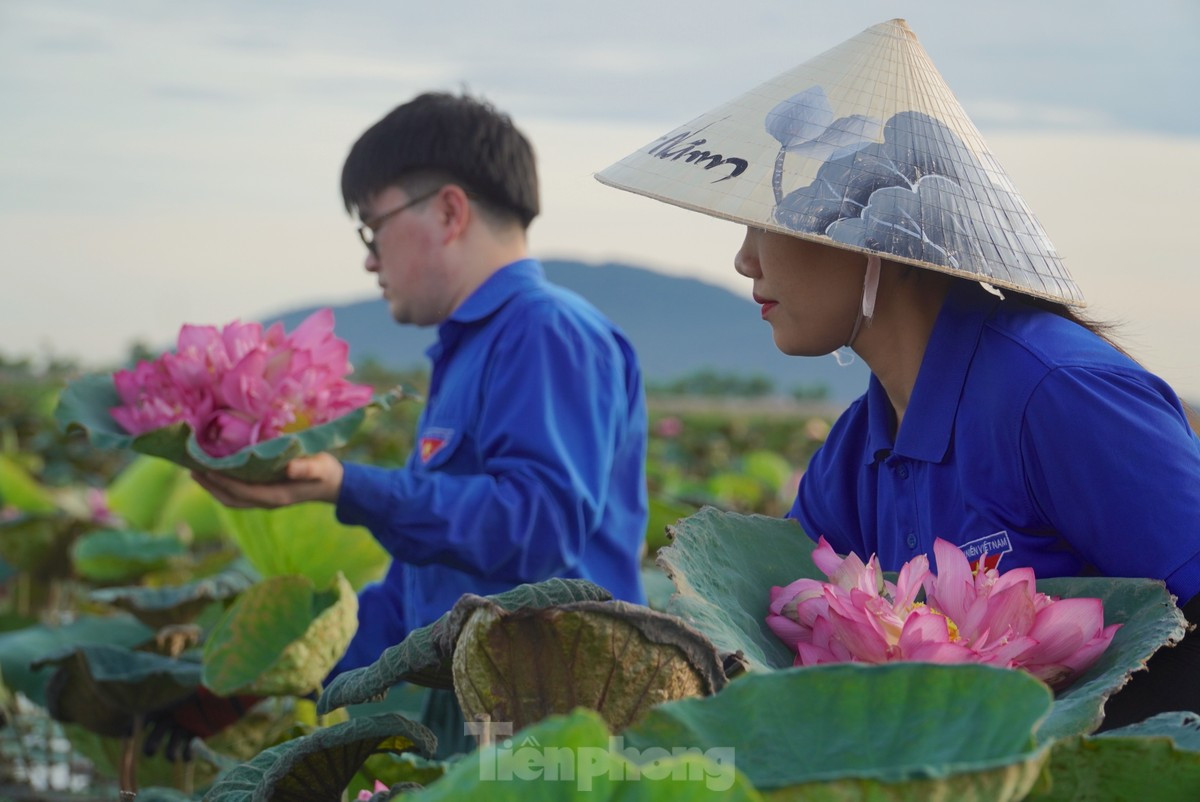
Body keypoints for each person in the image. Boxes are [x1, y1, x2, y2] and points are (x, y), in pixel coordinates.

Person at [596, 18, 1200, 728]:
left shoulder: (1056, 394)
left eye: (767, 223)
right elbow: (789, 624)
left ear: (872, 242)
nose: (745, 260)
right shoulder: (856, 448)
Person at [173, 91, 649, 756]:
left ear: (450, 211)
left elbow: (539, 529)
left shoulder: (547, 332)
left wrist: (348, 486)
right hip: (472, 715)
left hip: (557, 726)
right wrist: (247, 682)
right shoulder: (465, 351)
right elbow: (412, 600)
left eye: (373, 227)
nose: (370, 259)